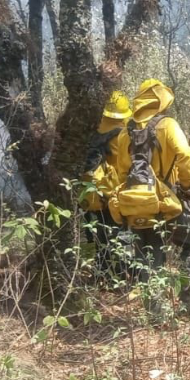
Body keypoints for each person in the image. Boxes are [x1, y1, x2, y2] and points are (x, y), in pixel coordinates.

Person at [108, 79, 190, 278]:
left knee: (146, 257)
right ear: (161, 101)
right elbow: (185, 155)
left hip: (134, 204)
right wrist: (186, 186)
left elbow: (121, 174)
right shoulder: (167, 125)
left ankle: (151, 306)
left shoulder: (124, 133)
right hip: (164, 200)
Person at [81, 91, 131, 274]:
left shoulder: (89, 129)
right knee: (117, 236)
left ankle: (97, 273)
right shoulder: (123, 134)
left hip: (87, 195)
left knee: (92, 237)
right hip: (111, 194)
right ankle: (121, 275)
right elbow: (126, 165)